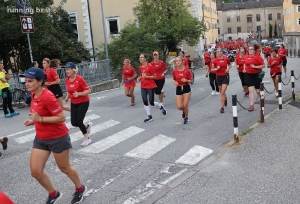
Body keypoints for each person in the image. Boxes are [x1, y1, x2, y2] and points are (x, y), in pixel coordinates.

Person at [21, 67, 87, 204]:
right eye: (26, 81)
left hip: (57, 138)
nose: (27, 84)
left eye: (30, 81)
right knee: (36, 172)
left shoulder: (47, 96)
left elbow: (61, 117)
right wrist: (33, 121)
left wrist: (40, 120)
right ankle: (54, 194)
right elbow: (41, 115)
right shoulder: (34, 94)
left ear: (40, 82)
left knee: (64, 168)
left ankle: (80, 188)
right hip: (41, 139)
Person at [63, 62, 92, 147]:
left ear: (73, 69)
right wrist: (67, 97)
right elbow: (69, 90)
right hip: (74, 102)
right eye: (65, 70)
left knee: (79, 121)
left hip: (83, 102)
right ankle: (87, 126)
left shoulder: (79, 79)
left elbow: (88, 90)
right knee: (74, 123)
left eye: (68, 69)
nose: (66, 71)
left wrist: (79, 94)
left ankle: (87, 138)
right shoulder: (67, 79)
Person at [137, 54, 165, 122]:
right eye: (140, 57)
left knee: (151, 102)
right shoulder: (140, 67)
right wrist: (139, 78)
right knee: (145, 101)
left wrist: (148, 77)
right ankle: (149, 116)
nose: (140, 59)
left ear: (145, 58)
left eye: (142, 57)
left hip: (150, 86)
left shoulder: (150, 66)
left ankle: (160, 106)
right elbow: (142, 75)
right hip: (143, 86)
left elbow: (155, 77)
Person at [245, 44, 265, 111]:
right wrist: (244, 69)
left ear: (254, 50)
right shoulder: (246, 56)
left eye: (251, 49)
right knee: (251, 91)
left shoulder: (258, 57)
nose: (250, 50)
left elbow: (263, 66)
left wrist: (255, 67)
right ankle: (251, 105)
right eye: (249, 49)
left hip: (257, 75)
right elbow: (245, 63)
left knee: (257, 90)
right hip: (249, 75)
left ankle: (262, 98)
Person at [172, 56, 192, 124]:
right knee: (179, 106)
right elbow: (174, 79)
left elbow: (191, 81)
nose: (177, 62)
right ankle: (184, 111)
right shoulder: (174, 71)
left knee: (185, 105)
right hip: (179, 88)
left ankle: (186, 117)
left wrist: (186, 80)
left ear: (182, 61)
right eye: (176, 61)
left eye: (179, 60)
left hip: (186, 88)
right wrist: (175, 83)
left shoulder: (187, 70)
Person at [211, 48, 232, 113]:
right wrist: (216, 69)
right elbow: (212, 70)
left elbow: (230, 64)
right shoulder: (215, 60)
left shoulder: (226, 58)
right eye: (218, 52)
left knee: (222, 92)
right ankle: (225, 98)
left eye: (220, 51)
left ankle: (222, 107)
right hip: (218, 77)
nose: (219, 52)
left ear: (222, 52)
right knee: (221, 92)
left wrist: (228, 68)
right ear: (216, 53)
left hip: (225, 76)